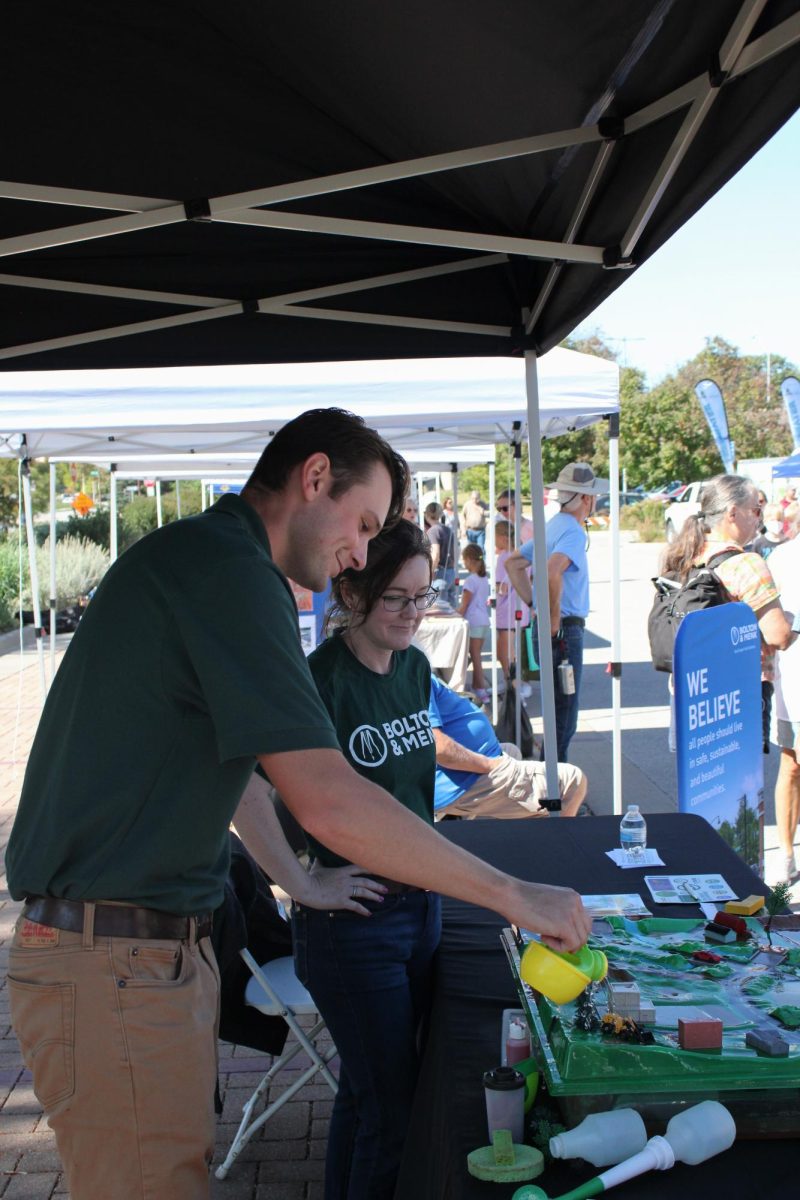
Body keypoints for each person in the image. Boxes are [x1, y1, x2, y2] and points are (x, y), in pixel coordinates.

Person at [6, 408, 589, 1200]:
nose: (360, 550)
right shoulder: (231, 572)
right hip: (115, 960)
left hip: (141, 954)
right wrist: (513, 895)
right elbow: (327, 799)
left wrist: (302, 880)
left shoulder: (219, 563)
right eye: (363, 523)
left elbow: (241, 770)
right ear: (313, 478)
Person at [292, 519, 440, 1200]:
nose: (414, 614)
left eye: (423, 596)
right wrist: (300, 877)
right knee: (393, 1113)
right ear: (352, 593)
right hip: (355, 923)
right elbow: (254, 792)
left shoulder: (414, 668)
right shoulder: (317, 682)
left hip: (422, 908)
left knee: (365, 1092)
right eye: (397, 599)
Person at [659, 474, 796, 761]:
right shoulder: (746, 563)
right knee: (738, 791)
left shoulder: (680, 553)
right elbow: (778, 636)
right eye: (755, 510)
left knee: (701, 787)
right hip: (737, 694)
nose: (759, 519)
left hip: (691, 687)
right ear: (733, 513)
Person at [505, 462, 608, 762]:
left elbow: (514, 564)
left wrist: (535, 605)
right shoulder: (573, 532)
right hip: (564, 630)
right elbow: (552, 571)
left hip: (552, 627)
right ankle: (555, 783)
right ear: (586, 499)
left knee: (556, 708)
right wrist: (550, 618)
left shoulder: (552, 526)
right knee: (565, 712)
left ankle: (551, 778)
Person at [430, 676, 587, 819]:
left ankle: (528, 821)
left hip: (458, 774)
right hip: (457, 783)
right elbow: (438, 748)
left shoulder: (414, 666)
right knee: (573, 779)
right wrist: (487, 764)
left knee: (512, 751)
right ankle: (556, 844)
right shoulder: (413, 670)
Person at [760, 532, 800, 882]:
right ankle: (786, 855)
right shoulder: (782, 557)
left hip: (790, 678)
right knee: (790, 764)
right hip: (793, 679)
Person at [494, 519, 530, 688]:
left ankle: (513, 684)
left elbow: (503, 587)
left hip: (507, 609)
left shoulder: (504, 558)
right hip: (520, 605)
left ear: (502, 538)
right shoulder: (522, 554)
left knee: (505, 651)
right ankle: (511, 682)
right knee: (509, 649)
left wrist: (494, 589)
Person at [459, 542, 491, 700]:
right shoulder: (483, 578)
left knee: (475, 656)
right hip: (484, 620)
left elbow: (464, 605)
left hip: (474, 621)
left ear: (470, 560)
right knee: (475, 655)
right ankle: (478, 685)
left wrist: (454, 614)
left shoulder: (470, 580)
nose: (463, 564)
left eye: (464, 560)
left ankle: (480, 688)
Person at [424, 500, 457, 604]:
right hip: (451, 571)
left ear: (427, 514)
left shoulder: (433, 531)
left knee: (439, 608)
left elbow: (436, 554)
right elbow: (456, 550)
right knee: (451, 608)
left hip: (440, 573)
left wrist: (430, 572)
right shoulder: (448, 529)